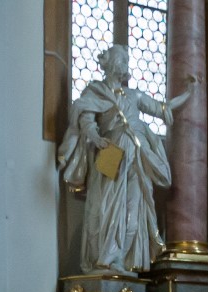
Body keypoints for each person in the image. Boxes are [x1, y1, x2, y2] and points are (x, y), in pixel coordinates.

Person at [58, 46, 195, 274]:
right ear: (111, 64)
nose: (125, 64)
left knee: (134, 210)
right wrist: (96, 138)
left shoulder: (133, 95)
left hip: (138, 157)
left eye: (126, 60)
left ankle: (121, 260)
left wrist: (190, 92)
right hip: (111, 153)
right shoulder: (95, 92)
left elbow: (162, 108)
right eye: (122, 60)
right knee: (107, 209)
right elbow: (86, 121)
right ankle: (106, 260)